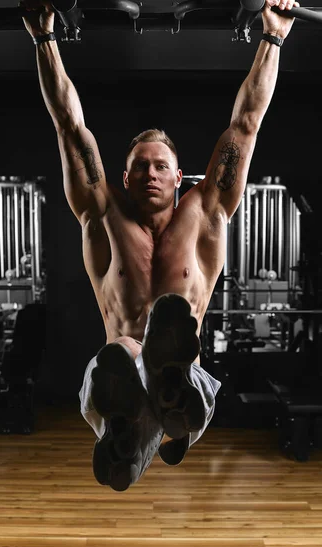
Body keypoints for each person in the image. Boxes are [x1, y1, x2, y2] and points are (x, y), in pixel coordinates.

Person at [21, 0, 298, 491]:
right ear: (123, 177)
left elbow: (245, 125)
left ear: (179, 175)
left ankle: (160, 405)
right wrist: (44, 38)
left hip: (185, 386)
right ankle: (135, 426)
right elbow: (68, 125)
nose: (150, 173)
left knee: (160, 359)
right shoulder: (103, 213)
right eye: (140, 167)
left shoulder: (206, 212)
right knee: (126, 351)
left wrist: (272, 38)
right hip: (113, 385)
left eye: (160, 166)